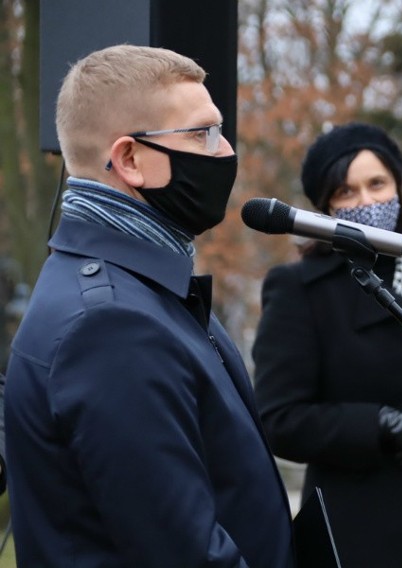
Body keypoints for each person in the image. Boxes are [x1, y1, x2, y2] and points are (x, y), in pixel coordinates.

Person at [4, 45, 295, 567]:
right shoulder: (111, 324)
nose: (225, 151)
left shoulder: (143, 289)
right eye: (202, 134)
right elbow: (185, 552)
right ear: (130, 160)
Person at [252, 122, 402, 568]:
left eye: (377, 184)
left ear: (399, 189)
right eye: (347, 192)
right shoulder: (299, 288)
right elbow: (280, 418)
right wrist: (384, 425)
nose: (366, 202)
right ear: (326, 205)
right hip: (354, 530)